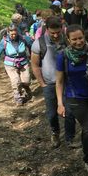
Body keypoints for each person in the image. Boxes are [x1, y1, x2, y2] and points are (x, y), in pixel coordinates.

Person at [56, 25, 88, 173]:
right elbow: (60, 81)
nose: (78, 41)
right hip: (74, 97)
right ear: (68, 40)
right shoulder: (63, 56)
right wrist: (59, 103)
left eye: (80, 38)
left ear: (85, 36)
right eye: (74, 39)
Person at [31, 16, 77, 149]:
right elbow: (34, 65)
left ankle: (70, 138)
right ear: (47, 30)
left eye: (58, 32)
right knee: (52, 113)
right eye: (53, 33)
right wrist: (42, 83)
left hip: (68, 82)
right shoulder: (39, 43)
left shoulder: (67, 39)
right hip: (50, 84)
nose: (56, 35)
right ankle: (55, 132)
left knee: (70, 111)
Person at [0, 24, 33, 106]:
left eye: (15, 34)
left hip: (23, 62)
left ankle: (27, 90)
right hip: (10, 64)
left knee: (26, 81)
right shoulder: (4, 41)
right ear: (8, 33)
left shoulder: (23, 39)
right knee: (16, 81)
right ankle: (18, 98)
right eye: (12, 34)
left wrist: (33, 57)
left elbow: (32, 47)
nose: (14, 36)